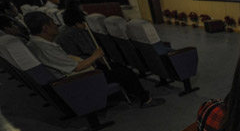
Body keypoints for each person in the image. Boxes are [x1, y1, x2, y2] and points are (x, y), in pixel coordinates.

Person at [24, 11, 165, 108]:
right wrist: (95, 56)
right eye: (52, 23)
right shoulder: (44, 47)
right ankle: (146, 101)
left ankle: (134, 93)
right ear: (45, 28)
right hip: (78, 80)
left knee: (117, 67)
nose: (56, 24)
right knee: (125, 72)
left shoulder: (34, 43)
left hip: (72, 76)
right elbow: (76, 68)